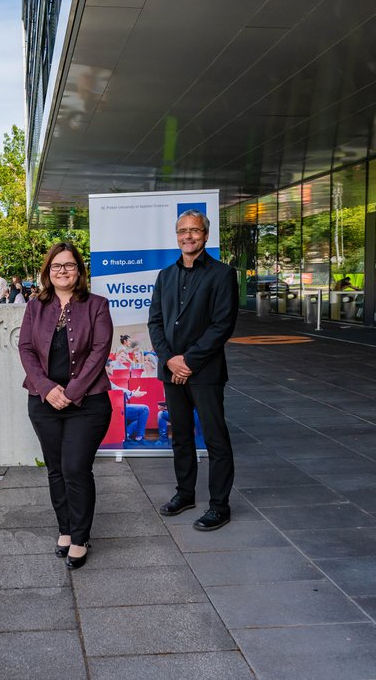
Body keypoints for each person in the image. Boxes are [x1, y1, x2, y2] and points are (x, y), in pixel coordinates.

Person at [18, 242, 113, 570]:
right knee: (56, 468)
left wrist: (70, 392)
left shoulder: (97, 305)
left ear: (79, 271)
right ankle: (65, 527)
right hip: (43, 402)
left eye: (69, 265)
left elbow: (100, 352)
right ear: (47, 272)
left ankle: (81, 535)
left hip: (88, 403)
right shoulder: (34, 307)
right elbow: (26, 349)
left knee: (75, 468)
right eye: (56, 266)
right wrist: (46, 388)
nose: (62, 271)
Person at [148, 209, 238, 531]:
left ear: (205, 235)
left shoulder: (222, 274)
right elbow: (155, 323)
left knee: (215, 440)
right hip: (171, 370)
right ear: (177, 236)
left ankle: (219, 506)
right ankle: (185, 494)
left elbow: (222, 325)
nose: (188, 236)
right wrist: (170, 358)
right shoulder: (165, 276)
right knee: (181, 437)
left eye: (194, 230)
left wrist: (188, 361)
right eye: (182, 231)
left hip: (205, 372)